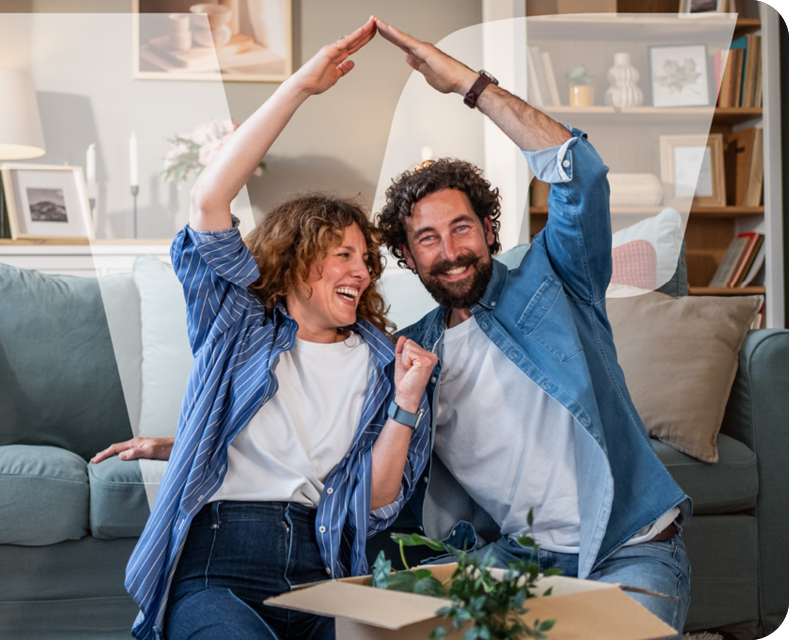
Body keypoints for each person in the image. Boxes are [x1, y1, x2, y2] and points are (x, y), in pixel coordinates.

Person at [93, 18, 437, 640]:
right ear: (297, 259)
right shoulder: (240, 325)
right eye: (343, 254)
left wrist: (407, 404)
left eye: (366, 260)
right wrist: (299, 87)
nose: (362, 271)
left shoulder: (387, 363)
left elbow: (378, 500)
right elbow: (208, 202)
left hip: (322, 568)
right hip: (219, 562)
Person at [371, 19, 692, 637]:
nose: (451, 251)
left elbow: (580, 174)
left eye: (462, 227)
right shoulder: (410, 352)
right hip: (516, 560)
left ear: (489, 229)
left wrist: (468, 85)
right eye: (428, 239)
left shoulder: (555, 278)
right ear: (407, 257)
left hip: (627, 547)